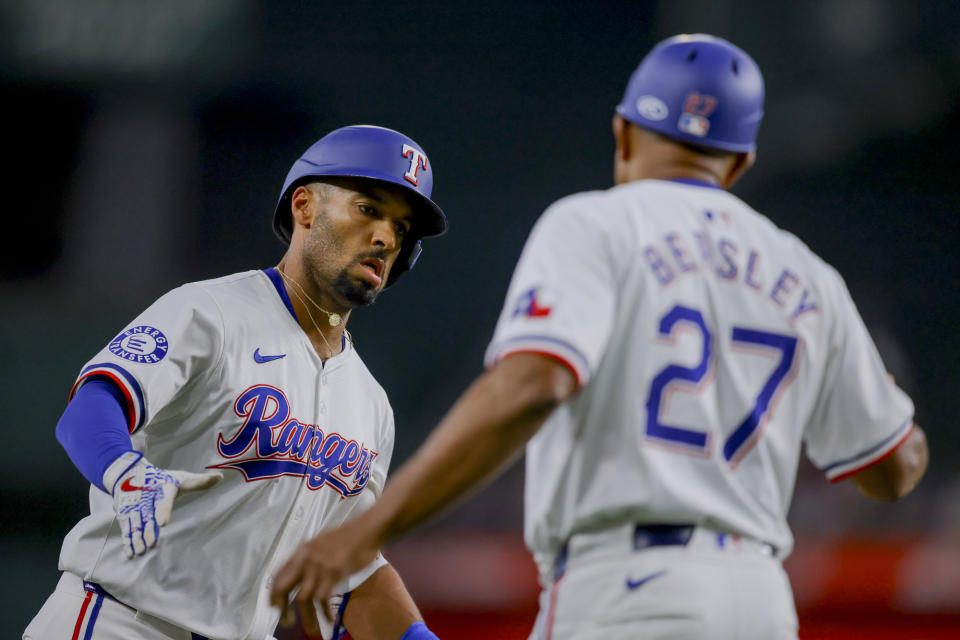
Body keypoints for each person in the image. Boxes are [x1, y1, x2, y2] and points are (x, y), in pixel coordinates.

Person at [267, 35, 929, 639]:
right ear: (742, 160)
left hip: (628, 588)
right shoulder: (809, 275)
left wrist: (366, 532)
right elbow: (894, 469)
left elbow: (533, 385)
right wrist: (897, 412)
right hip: (760, 600)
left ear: (625, 129)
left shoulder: (596, 224)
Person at [23, 125, 445, 640]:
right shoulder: (212, 312)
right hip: (123, 621)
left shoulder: (372, 405)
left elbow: (350, 571)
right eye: (368, 209)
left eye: (401, 228)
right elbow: (94, 403)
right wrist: (124, 470)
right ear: (305, 207)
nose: (385, 237)